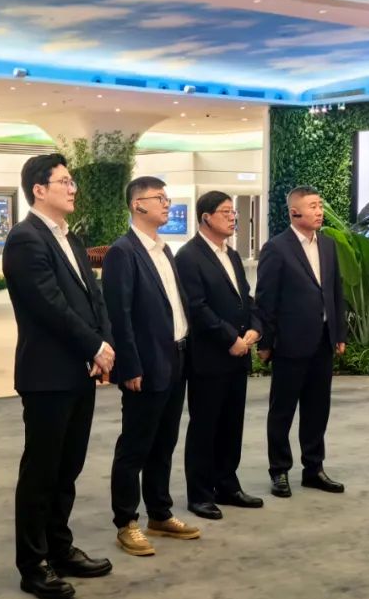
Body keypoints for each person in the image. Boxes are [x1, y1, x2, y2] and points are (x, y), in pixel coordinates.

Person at [2, 153, 115, 599]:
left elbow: (94, 298)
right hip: (47, 373)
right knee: (42, 471)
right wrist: (94, 346)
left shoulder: (70, 237)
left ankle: (59, 547)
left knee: (68, 467)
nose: (72, 188)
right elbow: (49, 306)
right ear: (39, 189)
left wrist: (103, 345)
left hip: (80, 370)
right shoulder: (25, 239)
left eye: (72, 182)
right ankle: (33, 564)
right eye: (64, 181)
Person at [103, 177, 201, 556]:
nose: (166, 204)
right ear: (137, 205)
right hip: (145, 364)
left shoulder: (164, 249)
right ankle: (126, 522)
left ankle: (160, 513)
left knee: (165, 442)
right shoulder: (122, 252)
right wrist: (129, 366)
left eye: (166, 197)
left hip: (176, 357)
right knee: (135, 446)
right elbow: (120, 315)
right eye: (159, 198)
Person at [175, 191, 264, 520]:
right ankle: (199, 494)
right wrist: (230, 338)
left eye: (233, 212)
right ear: (206, 217)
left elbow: (246, 298)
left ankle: (227, 484)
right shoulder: (189, 256)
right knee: (205, 426)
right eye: (225, 212)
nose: (232, 217)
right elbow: (196, 307)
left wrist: (254, 329)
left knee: (231, 424)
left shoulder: (232, 255)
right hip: (210, 357)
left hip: (238, 354)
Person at [256, 185, 347, 498]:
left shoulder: (328, 245)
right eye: (312, 206)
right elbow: (266, 299)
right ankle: (279, 470)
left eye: (320, 205)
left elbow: (335, 292)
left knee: (317, 409)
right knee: (282, 410)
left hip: (323, 341)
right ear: (294, 212)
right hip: (290, 343)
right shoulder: (276, 248)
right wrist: (265, 342)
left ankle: (314, 468)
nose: (319, 211)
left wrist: (339, 333)